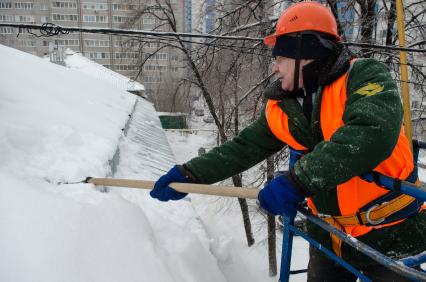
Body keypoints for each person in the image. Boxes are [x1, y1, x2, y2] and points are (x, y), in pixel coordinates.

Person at [150, 1, 426, 281]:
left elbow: (371, 133)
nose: (275, 67)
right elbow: (244, 147)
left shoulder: (364, 76)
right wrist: (191, 173)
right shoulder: (284, 106)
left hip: (391, 233)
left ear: (304, 53)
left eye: (279, 58)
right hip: (329, 236)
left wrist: (298, 181)